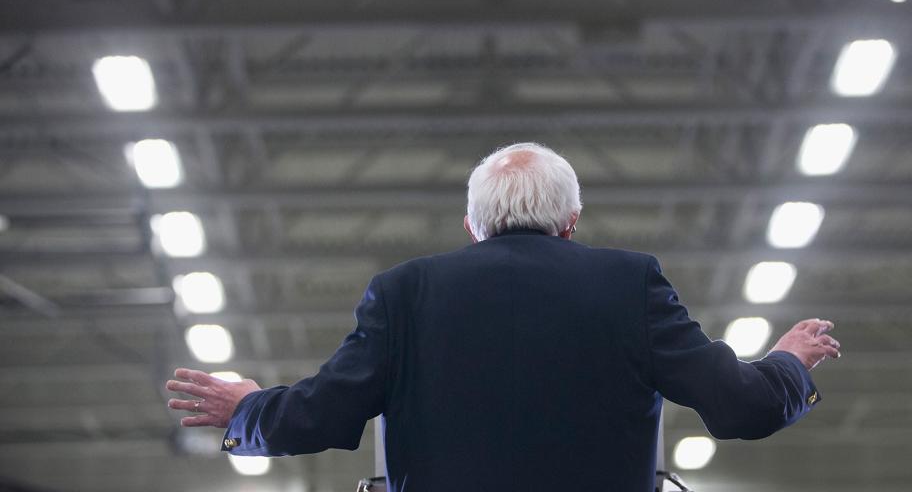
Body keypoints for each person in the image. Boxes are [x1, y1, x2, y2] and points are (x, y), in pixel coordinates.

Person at [167, 142, 840, 492]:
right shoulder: (629, 284)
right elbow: (742, 407)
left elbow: (323, 412)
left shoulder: (404, 293)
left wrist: (246, 411)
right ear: (572, 221)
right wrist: (788, 363)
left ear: (471, 226)